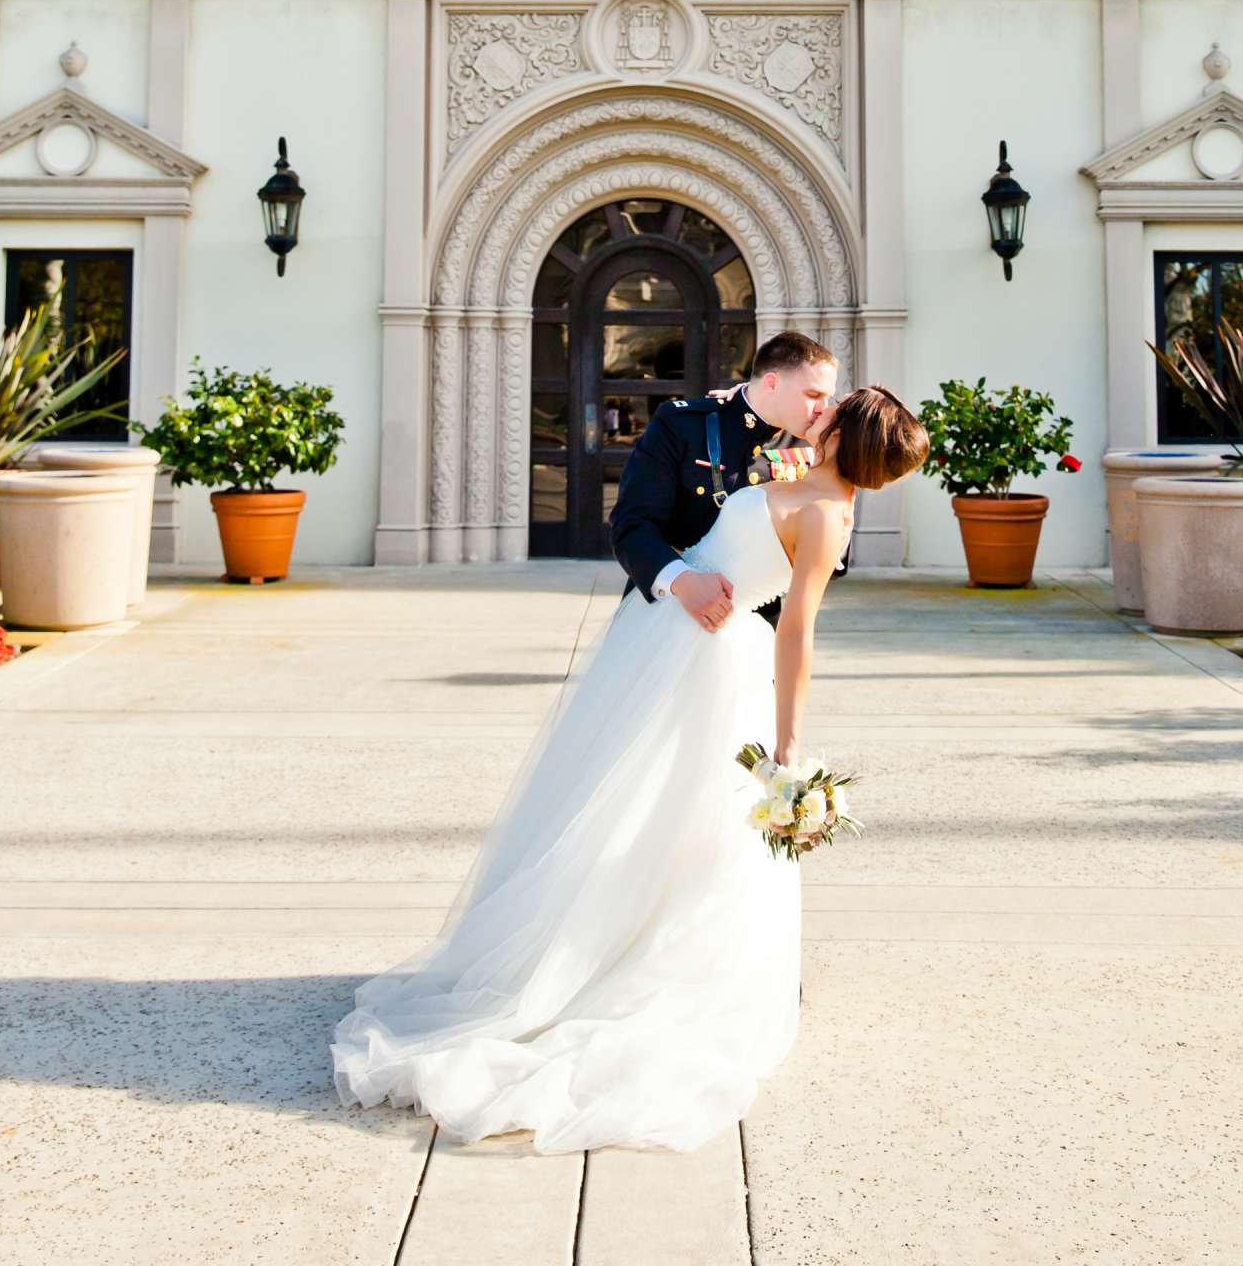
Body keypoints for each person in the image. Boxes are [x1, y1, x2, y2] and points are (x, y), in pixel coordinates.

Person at [329, 381, 930, 1152]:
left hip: (711, 657)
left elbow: (798, 632)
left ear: (851, 437)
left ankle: (634, 960)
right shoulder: (800, 478)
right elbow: (735, 495)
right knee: (617, 798)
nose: (822, 411)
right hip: (666, 636)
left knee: (676, 813)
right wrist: (738, 398)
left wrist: (788, 746)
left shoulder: (825, 514)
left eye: (834, 410)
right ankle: (589, 947)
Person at [608, 330, 846, 636]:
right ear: (772, 383)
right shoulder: (684, 426)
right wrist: (683, 580)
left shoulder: (815, 445)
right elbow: (631, 524)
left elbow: (821, 561)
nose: (822, 408)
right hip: (668, 620)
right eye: (813, 395)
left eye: (828, 398)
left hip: (755, 630)